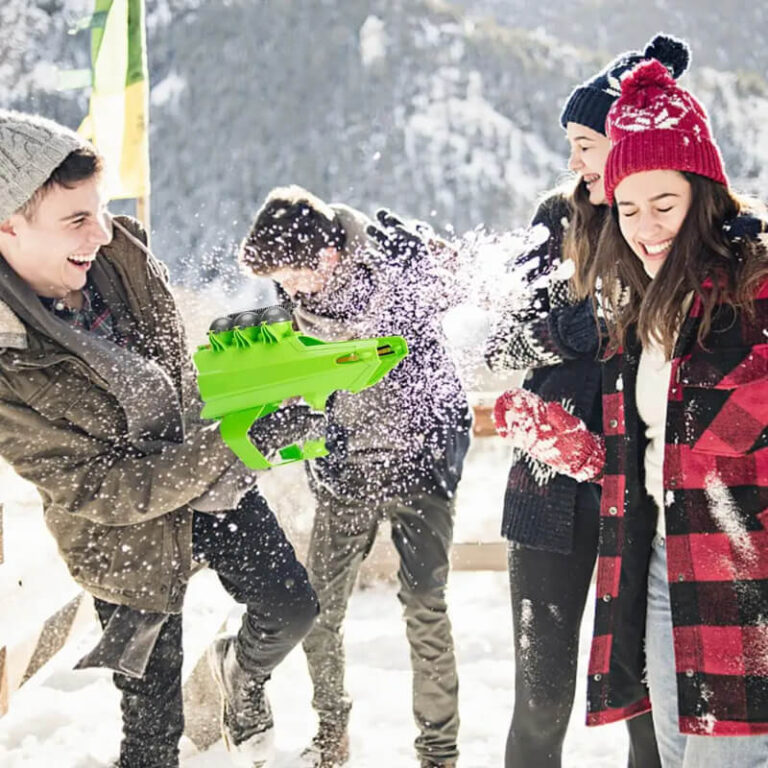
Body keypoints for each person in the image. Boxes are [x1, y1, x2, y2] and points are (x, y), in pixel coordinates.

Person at [0, 110, 319, 768]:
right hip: (124, 541)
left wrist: (262, 390)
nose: (102, 230)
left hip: (208, 485)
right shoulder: (8, 360)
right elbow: (100, 489)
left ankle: (239, 678)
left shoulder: (119, 255)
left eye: (100, 208)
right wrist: (231, 439)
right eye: (76, 220)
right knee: (153, 732)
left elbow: (177, 370)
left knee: (291, 607)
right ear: (8, 225)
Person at [495, 59, 768, 767]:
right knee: (612, 726)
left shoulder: (743, 282)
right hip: (628, 533)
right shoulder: (630, 278)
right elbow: (664, 447)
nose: (645, 227)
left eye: (664, 205)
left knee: (690, 741)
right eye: (629, 208)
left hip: (720, 561)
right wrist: (580, 447)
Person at [484, 35, 690, 768]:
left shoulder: (664, 225)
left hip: (639, 500)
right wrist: (588, 319)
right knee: (542, 699)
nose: (574, 161)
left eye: (584, 144)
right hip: (548, 497)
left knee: (645, 703)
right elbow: (508, 329)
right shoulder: (556, 215)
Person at [239, 186, 472, 768]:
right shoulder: (291, 292)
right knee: (319, 610)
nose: (286, 288)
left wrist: (435, 261)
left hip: (420, 465)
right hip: (347, 473)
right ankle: (331, 735)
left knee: (424, 606)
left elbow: (462, 282)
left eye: (291, 274)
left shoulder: (396, 263)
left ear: (327, 256)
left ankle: (439, 754)